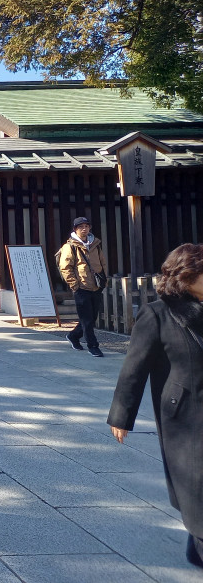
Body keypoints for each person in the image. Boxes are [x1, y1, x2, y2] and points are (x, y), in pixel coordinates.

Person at [108, 243, 203, 570]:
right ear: (186, 276)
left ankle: (196, 545)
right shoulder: (157, 314)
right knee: (195, 482)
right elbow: (134, 368)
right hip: (185, 412)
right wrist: (122, 415)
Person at [59, 216, 108, 357]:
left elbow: (102, 263)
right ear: (75, 229)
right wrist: (75, 285)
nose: (84, 229)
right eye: (81, 227)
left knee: (92, 317)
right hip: (81, 287)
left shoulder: (95, 244)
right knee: (86, 319)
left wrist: (104, 280)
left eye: (86, 226)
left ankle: (74, 336)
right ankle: (93, 346)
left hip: (96, 286)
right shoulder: (70, 246)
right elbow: (65, 267)